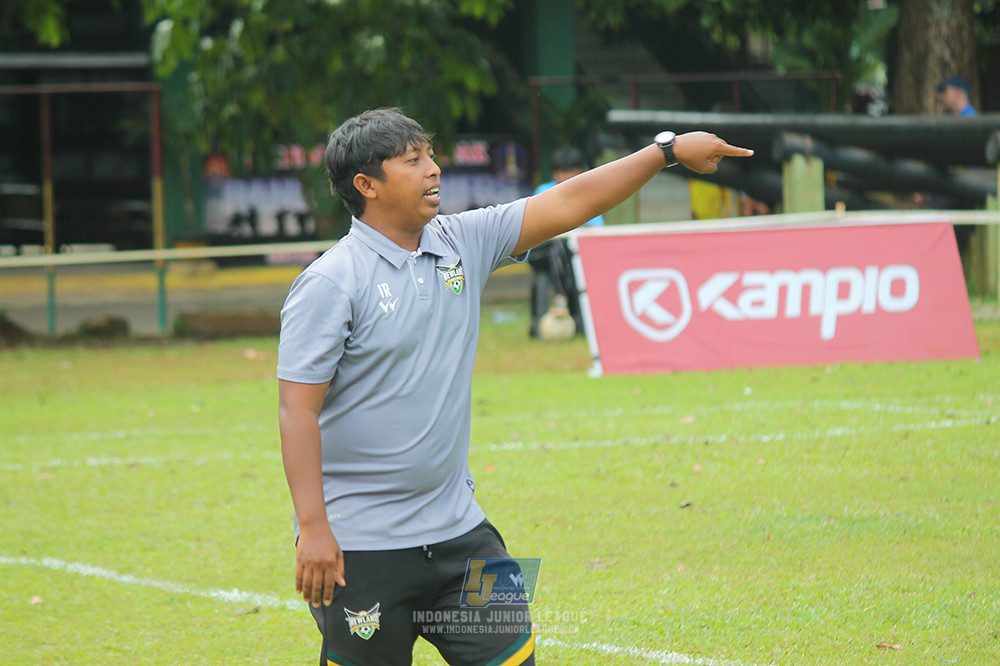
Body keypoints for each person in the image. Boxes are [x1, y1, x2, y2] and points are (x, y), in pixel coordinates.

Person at [276, 107, 752, 666]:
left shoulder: (461, 241)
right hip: (360, 550)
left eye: (431, 155)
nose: (433, 170)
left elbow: (571, 202)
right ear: (367, 185)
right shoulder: (331, 282)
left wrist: (665, 152)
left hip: (460, 535)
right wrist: (313, 528)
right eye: (413, 161)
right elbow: (296, 411)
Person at [529, 146, 603, 338]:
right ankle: (561, 298)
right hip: (541, 252)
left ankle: (573, 310)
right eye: (564, 171)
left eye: (572, 170)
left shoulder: (589, 194)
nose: (568, 176)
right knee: (557, 245)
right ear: (555, 173)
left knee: (565, 247)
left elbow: (597, 229)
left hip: (574, 253)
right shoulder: (543, 192)